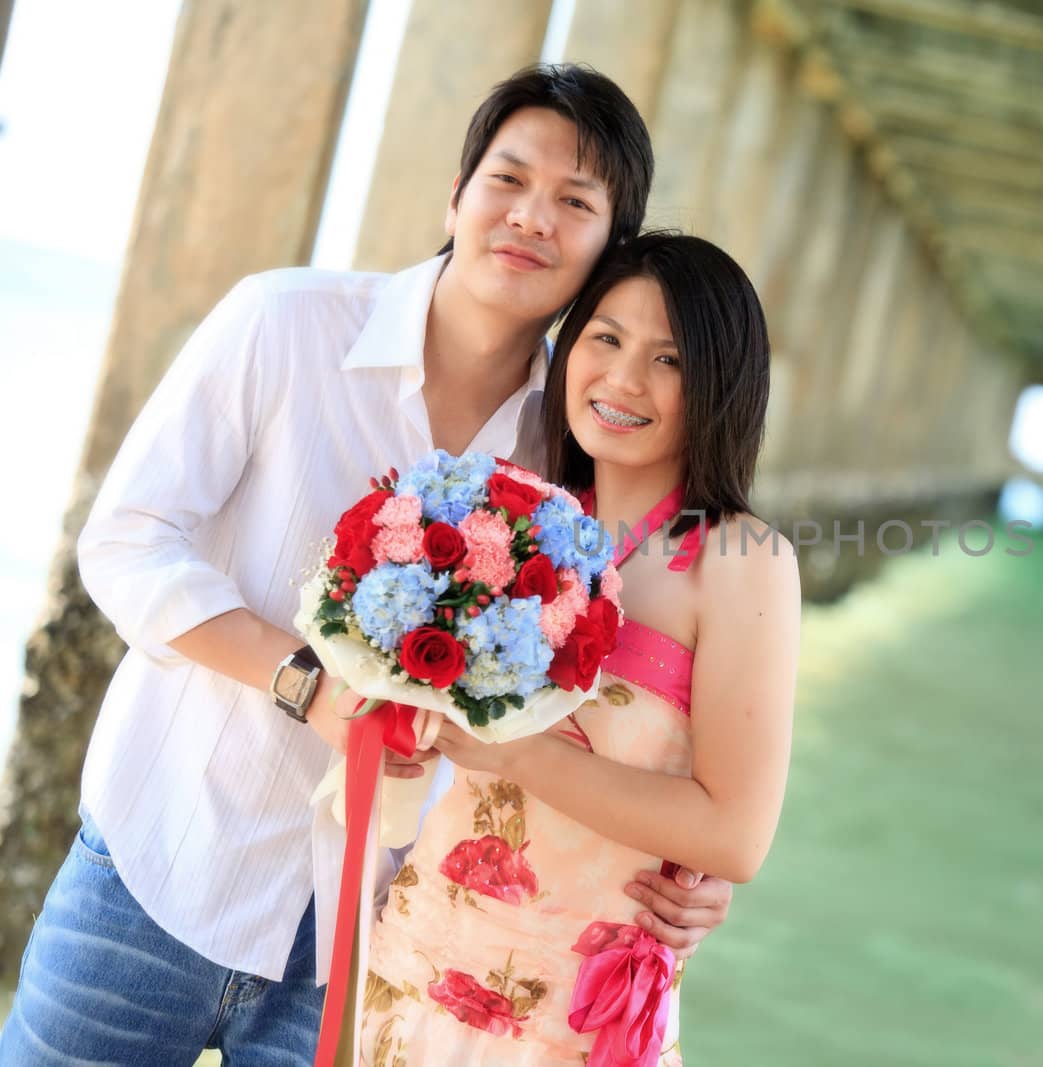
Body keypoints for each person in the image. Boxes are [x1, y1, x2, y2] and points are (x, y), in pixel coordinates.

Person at [0, 66, 736, 1066]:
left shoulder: (568, 461)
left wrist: (682, 866)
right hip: (157, 869)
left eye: (575, 204)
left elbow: (608, 694)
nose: (530, 218)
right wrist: (305, 681)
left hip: (362, 942)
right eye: (507, 180)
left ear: (609, 249)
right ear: (456, 194)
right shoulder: (283, 323)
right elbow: (125, 537)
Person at [358, 232, 800, 1066]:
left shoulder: (740, 559)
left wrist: (523, 754)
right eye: (605, 338)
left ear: (719, 383)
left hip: (567, 1025)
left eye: (669, 359)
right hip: (407, 980)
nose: (624, 380)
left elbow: (736, 834)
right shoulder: (512, 519)